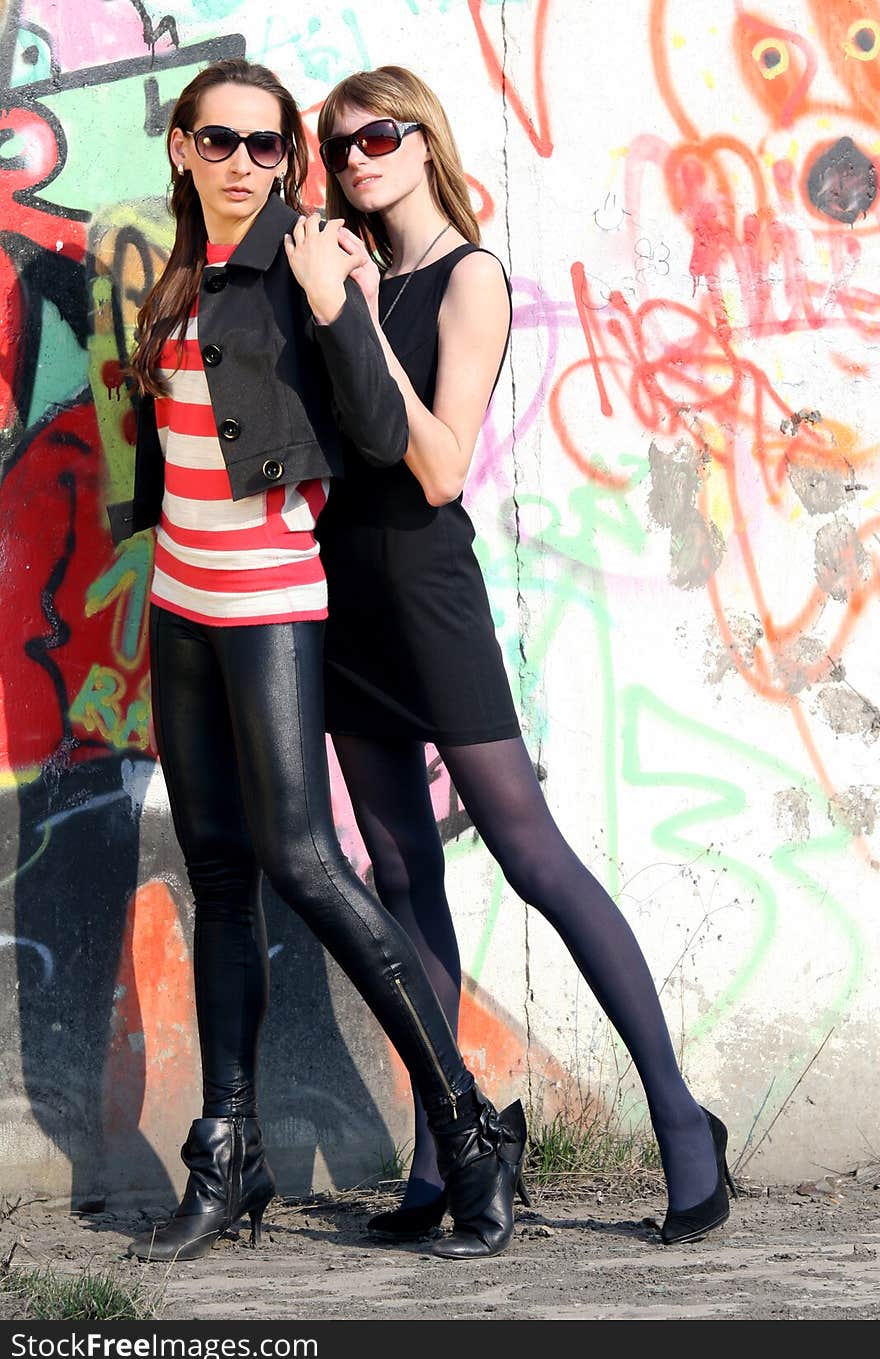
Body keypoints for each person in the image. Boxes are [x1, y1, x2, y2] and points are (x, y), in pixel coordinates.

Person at [311, 65, 737, 1247]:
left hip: (428, 594)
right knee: (401, 883)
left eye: (377, 136)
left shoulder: (469, 278)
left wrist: (355, 318)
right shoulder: (350, 271)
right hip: (344, 602)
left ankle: (680, 1125)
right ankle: (443, 1154)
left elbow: (439, 462)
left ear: (422, 140)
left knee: (531, 854)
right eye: (337, 145)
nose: (356, 159)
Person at [111, 56, 527, 1264]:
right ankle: (227, 1155)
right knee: (222, 875)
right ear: (183, 148)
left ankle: (464, 1124)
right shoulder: (181, 274)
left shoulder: (309, 262)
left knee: (303, 858)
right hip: (183, 607)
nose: (248, 163)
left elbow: (389, 432)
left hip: (273, 606)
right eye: (222, 142)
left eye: (268, 146)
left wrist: (341, 303)